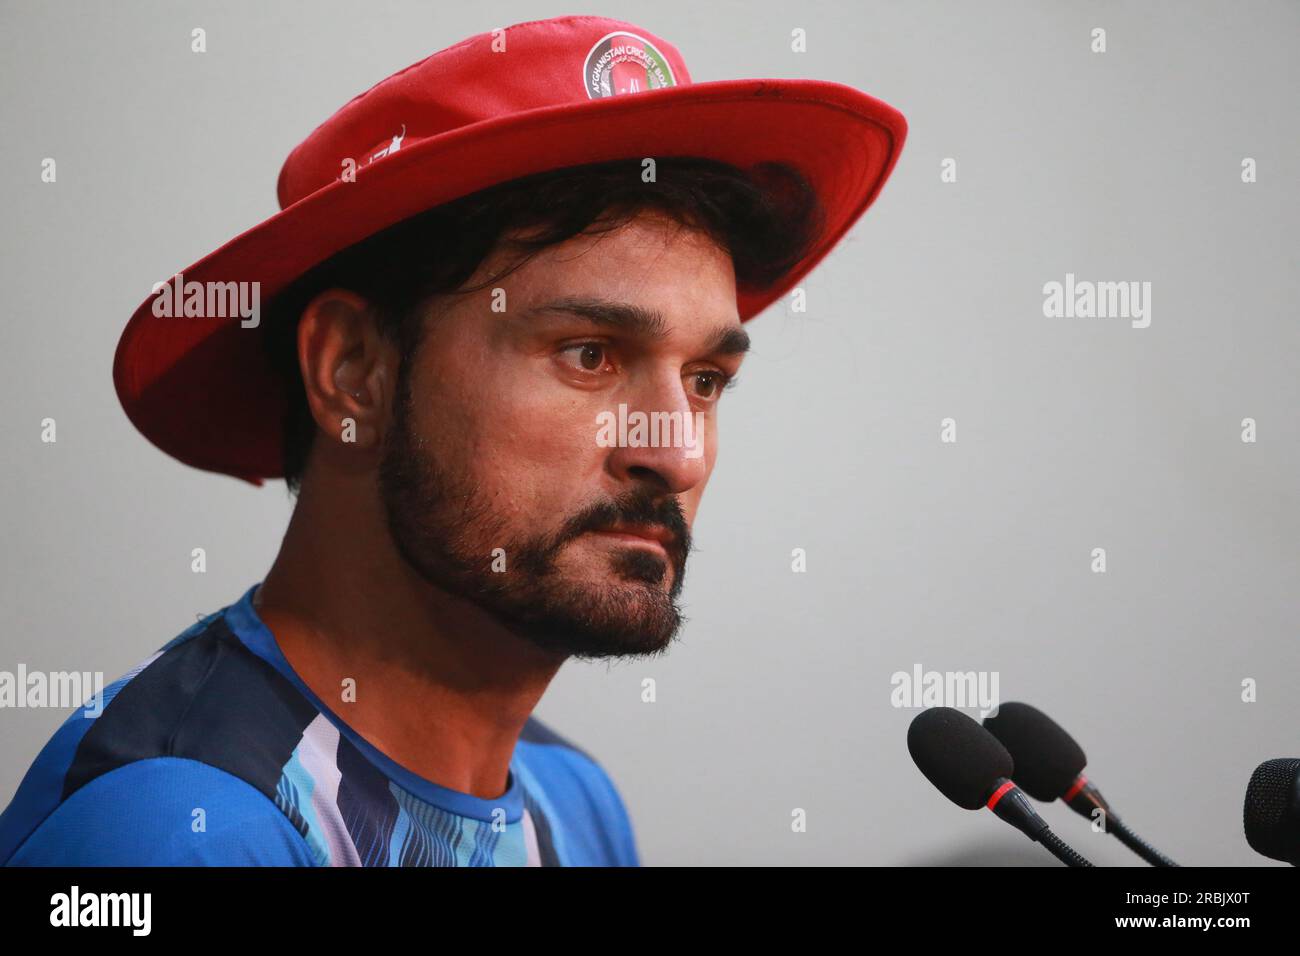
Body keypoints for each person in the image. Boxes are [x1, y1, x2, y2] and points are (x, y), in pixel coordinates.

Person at [0, 15, 905, 866]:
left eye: (705, 381)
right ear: (354, 370)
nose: (678, 455)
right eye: (590, 355)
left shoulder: (573, 804)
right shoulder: (178, 834)